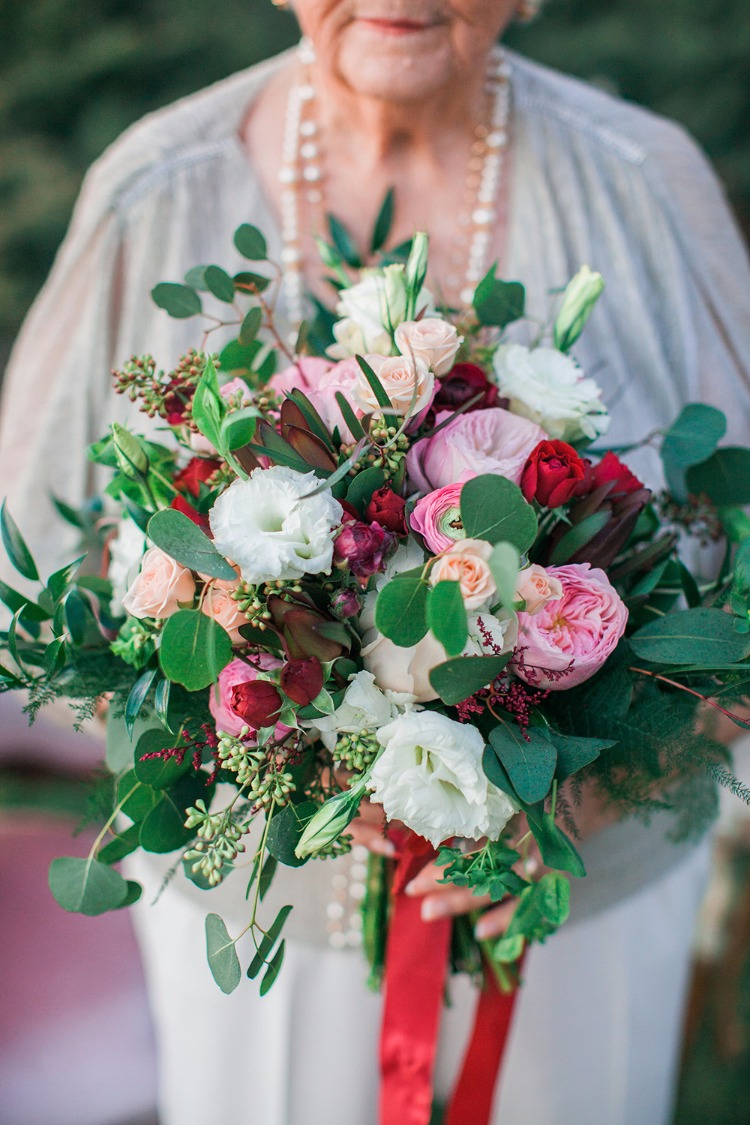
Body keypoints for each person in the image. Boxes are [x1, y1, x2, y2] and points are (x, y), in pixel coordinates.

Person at [1, 2, 749, 1122]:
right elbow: (43, 595)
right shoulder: (156, 189)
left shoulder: (645, 183)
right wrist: (267, 747)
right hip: (267, 916)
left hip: (582, 898)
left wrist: (574, 802)